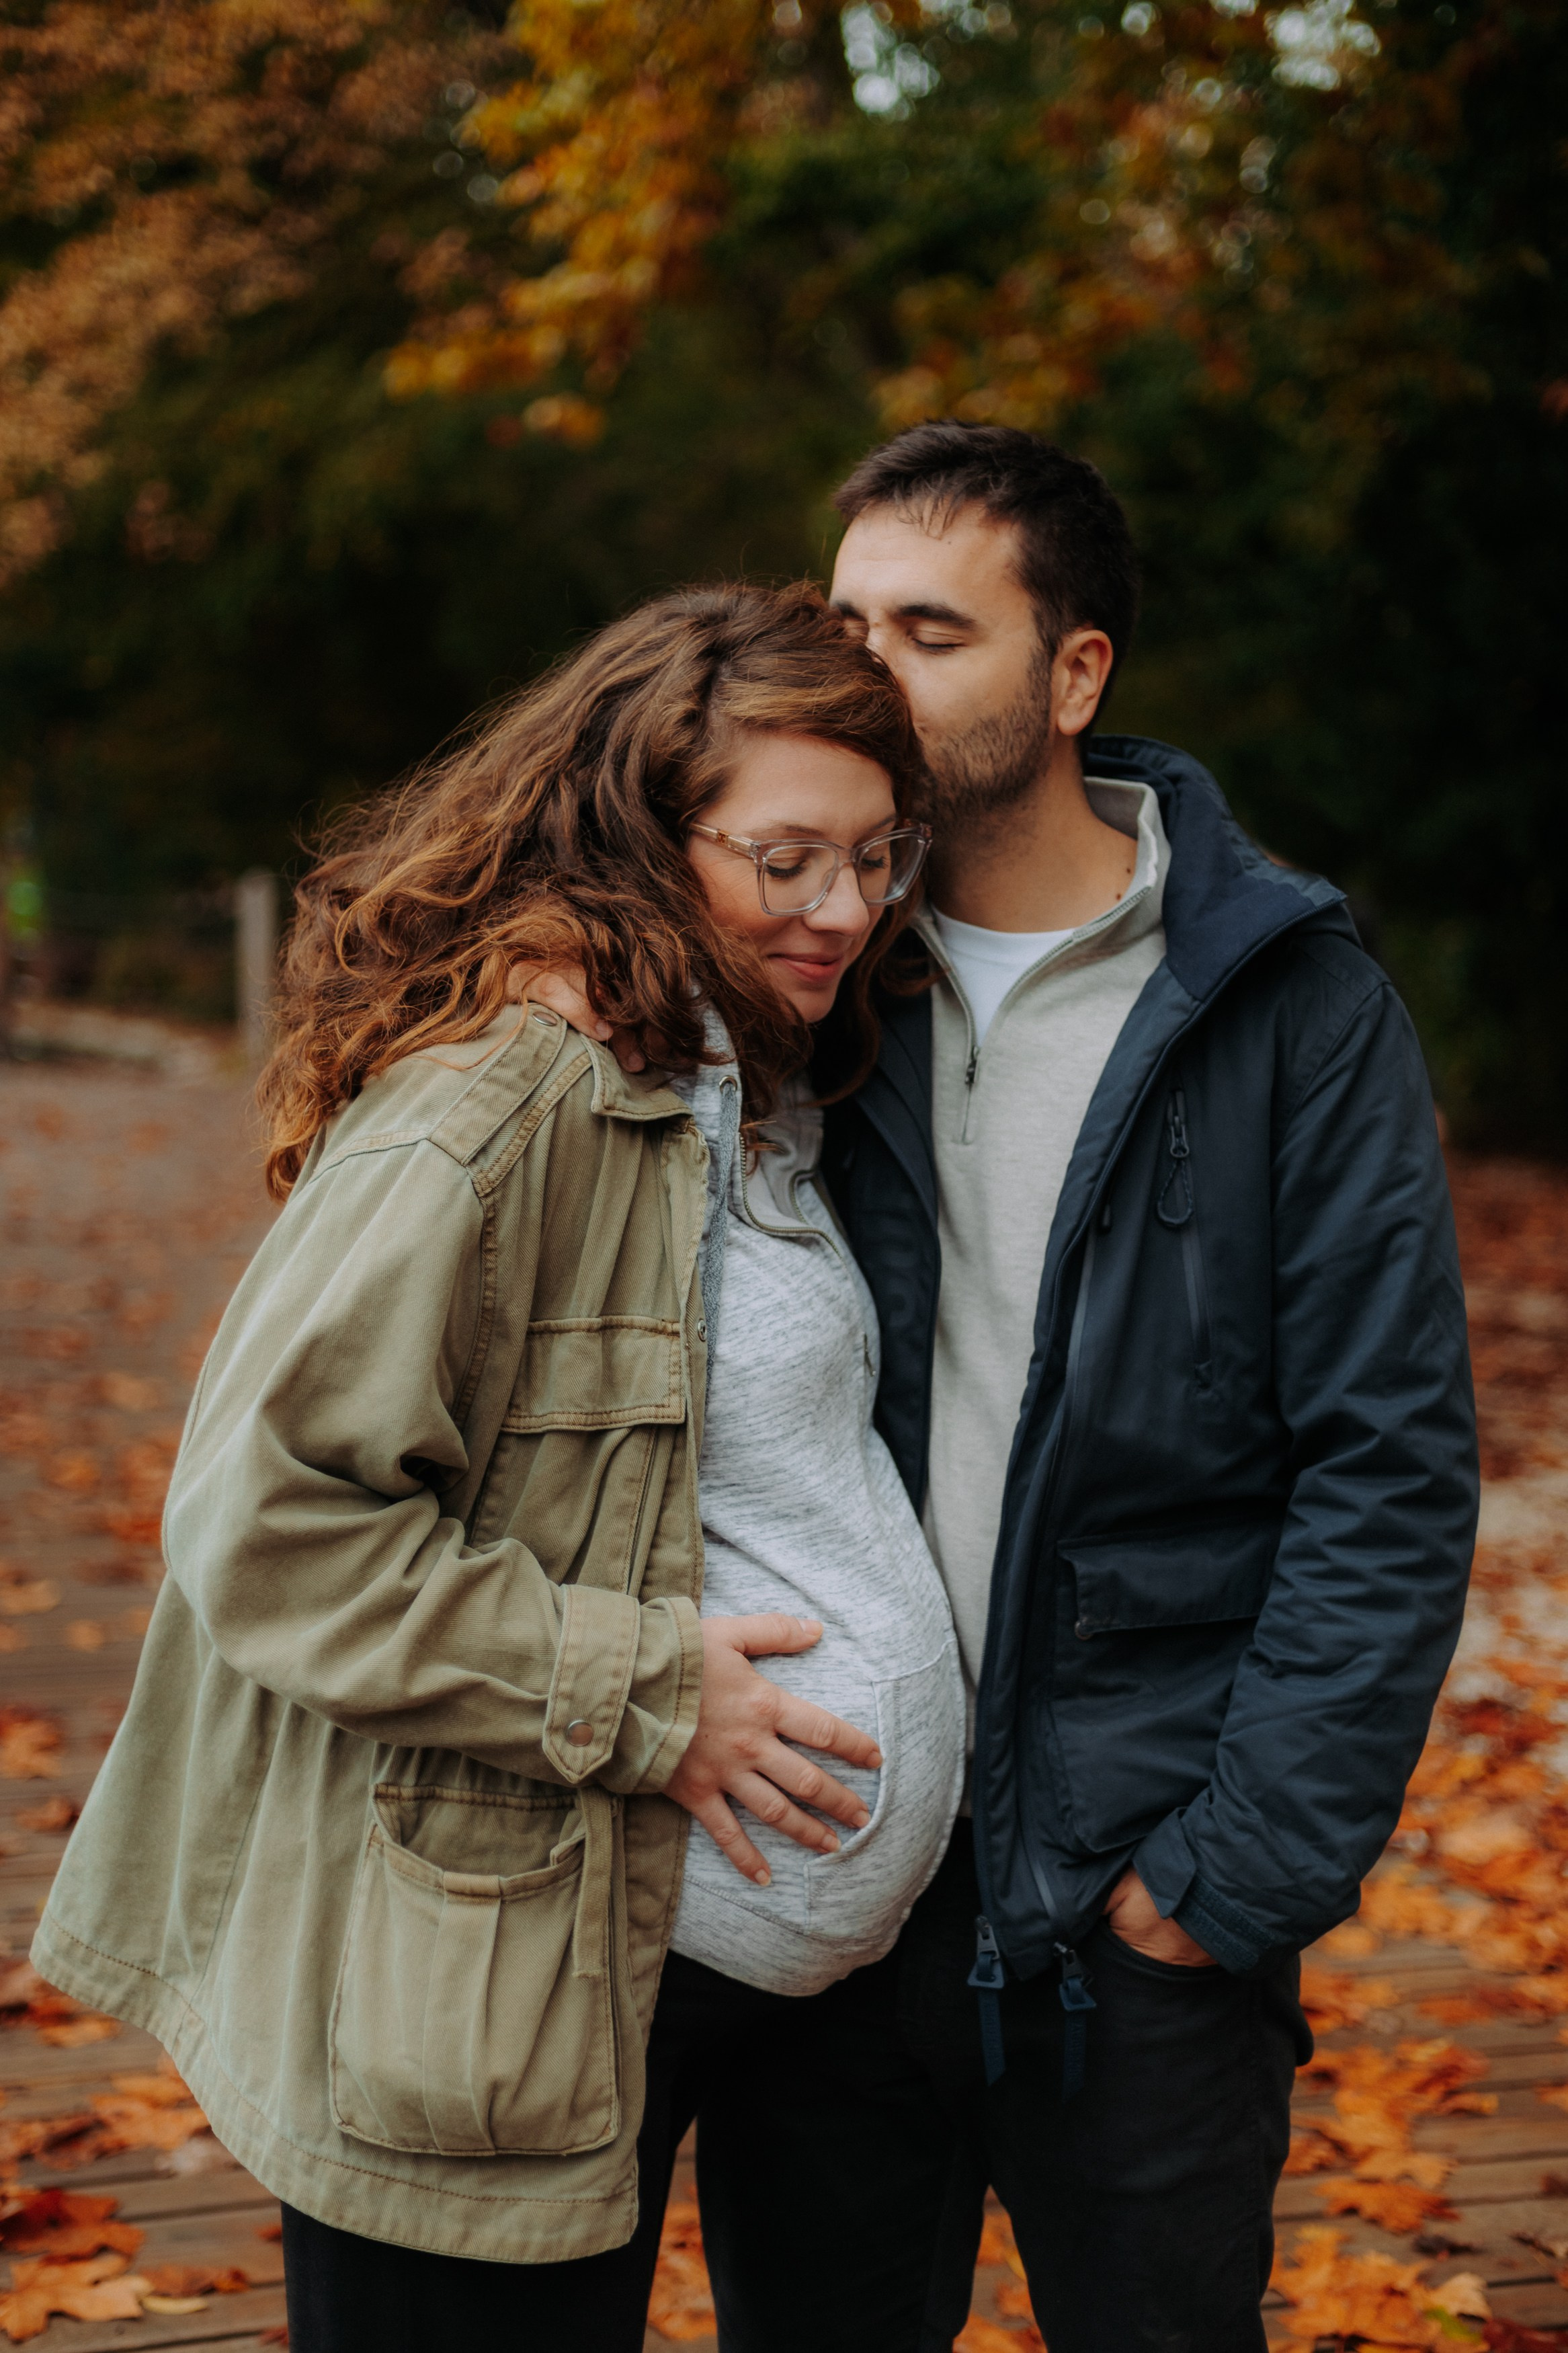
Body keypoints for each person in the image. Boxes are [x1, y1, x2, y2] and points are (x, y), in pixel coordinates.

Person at [545, 424, 1480, 2352]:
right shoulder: (795, 969)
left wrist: (1234, 1876)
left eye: (933, 629)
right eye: (849, 616)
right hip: (813, 1869)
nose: (864, 668)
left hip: (1139, 1903)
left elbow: (1385, 1465)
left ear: (1075, 676)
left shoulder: (1283, 1003)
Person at [32, 581, 966, 2353]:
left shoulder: (753, 1077)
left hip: (795, 1980)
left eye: (875, 858)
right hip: (505, 1965)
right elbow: (271, 1521)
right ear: (641, 825)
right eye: (788, 858)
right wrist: (638, 1688)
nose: (842, 909)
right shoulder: (500, 1104)